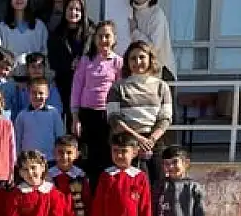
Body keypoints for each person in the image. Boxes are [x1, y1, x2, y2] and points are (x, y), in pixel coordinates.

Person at [106, 40, 172, 189]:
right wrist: (138, 139)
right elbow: (114, 119)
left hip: (154, 143)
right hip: (127, 142)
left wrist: (150, 140)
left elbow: (165, 118)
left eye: (142, 57)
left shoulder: (162, 87)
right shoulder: (118, 87)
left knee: (157, 187)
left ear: (150, 59)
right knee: (132, 189)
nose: (137, 62)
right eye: (133, 58)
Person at [70, 20, 122, 192]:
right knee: (86, 157)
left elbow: (120, 91)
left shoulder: (118, 62)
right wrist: (75, 117)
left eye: (107, 36)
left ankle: (104, 194)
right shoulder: (86, 61)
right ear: (94, 39)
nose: (103, 40)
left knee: (106, 156)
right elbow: (77, 88)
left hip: (107, 116)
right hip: (87, 115)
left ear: (114, 39)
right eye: (100, 36)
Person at [48, 0, 93, 130]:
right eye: (70, 9)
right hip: (64, 84)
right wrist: (68, 65)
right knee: (67, 123)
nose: (73, 12)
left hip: (86, 84)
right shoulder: (57, 33)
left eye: (77, 9)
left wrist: (82, 63)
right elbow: (52, 60)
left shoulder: (91, 32)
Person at [0, 0, 49, 80]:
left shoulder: (39, 26)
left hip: (34, 81)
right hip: (9, 80)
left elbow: (45, 53)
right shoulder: (2, 27)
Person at [14, 77, 64, 162]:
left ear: (47, 94)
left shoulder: (53, 113)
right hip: (28, 160)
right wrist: (17, 157)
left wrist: (59, 155)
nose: (37, 96)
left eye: (41, 93)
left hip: (49, 158)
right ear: (28, 94)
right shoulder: (22, 115)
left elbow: (60, 135)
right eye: (34, 93)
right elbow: (18, 139)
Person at [129, 0, 176, 81]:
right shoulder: (130, 10)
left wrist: (135, 32)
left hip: (161, 71)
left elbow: (154, 47)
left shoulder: (156, 14)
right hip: (141, 73)